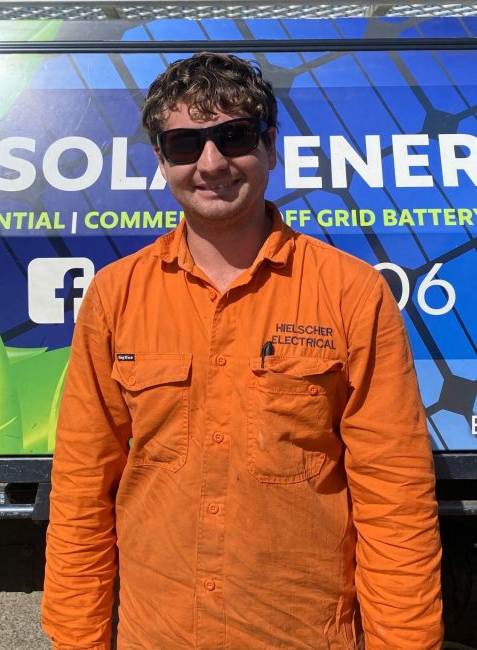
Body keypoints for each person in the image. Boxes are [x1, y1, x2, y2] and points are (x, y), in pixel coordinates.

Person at [42, 52, 443, 649]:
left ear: (270, 145)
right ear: (161, 159)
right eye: (185, 144)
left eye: (233, 137)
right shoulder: (115, 295)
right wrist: (79, 639)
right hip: (158, 635)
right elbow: (81, 488)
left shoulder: (351, 292)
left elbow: (395, 495)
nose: (211, 164)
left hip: (304, 635)